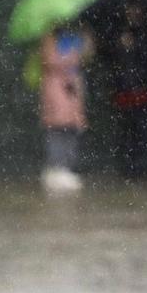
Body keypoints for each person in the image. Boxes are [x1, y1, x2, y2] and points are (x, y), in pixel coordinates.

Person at [108, 1, 147, 181]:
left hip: (144, 91)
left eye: (135, 9)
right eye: (129, 9)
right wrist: (122, 47)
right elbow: (112, 60)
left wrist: (135, 47)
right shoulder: (119, 33)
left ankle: (143, 169)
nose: (132, 13)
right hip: (124, 91)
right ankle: (129, 169)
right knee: (127, 132)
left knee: (144, 131)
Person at [38, 26, 91, 194]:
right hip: (57, 89)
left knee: (72, 129)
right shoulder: (49, 39)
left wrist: (86, 43)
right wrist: (71, 57)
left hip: (72, 89)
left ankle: (67, 167)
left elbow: (86, 56)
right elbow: (49, 61)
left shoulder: (78, 37)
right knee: (57, 130)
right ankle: (57, 167)